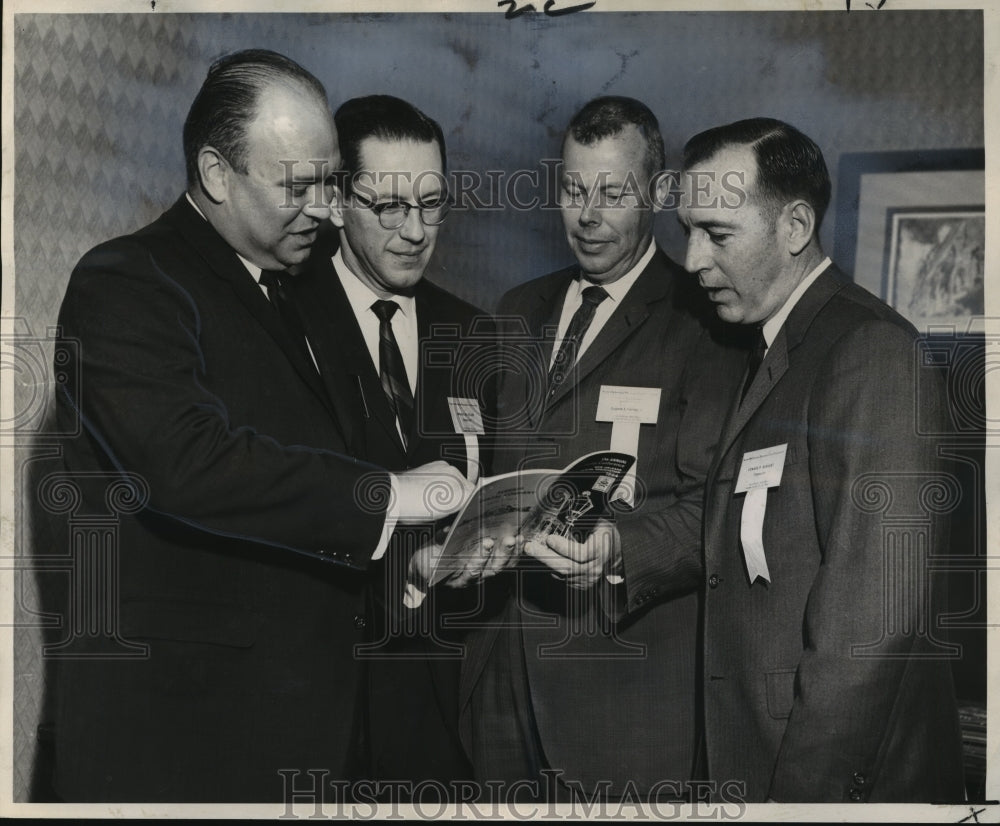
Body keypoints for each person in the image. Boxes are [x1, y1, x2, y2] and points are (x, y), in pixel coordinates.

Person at [51, 50, 469, 803]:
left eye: (331, 185)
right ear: (216, 174)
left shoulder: (284, 289)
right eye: (298, 187)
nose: (324, 210)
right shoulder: (126, 281)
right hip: (185, 735)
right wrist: (387, 496)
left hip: (297, 727)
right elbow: (185, 462)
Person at [455, 97, 746, 799]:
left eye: (612, 193)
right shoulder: (517, 309)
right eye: (572, 190)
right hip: (500, 678)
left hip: (623, 690)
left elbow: (711, 513)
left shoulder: (707, 322)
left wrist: (616, 547)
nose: (586, 216)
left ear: (656, 192)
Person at [677, 117, 965, 802]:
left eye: (717, 234)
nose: (692, 261)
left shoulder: (870, 352)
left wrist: (799, 804)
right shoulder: (775, 348)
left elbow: (870, 631)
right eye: (687, 231)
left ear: (796, 226)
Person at [289, 94, 486, 787]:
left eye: (432, 204)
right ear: (339, 203)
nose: (416, 231)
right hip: (310, 698)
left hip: (437, 704)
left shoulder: (474, 335)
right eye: (390, 207)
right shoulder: (279, 316)